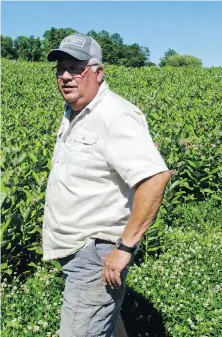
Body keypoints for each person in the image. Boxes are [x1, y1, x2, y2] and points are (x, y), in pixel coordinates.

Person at [42, 33, 171, 336]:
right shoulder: (76, 112)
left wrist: (125, 247)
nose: (65, 76)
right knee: (108, 325)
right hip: (77, 252)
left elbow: (154, 178)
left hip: (96, 254)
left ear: (98, 73)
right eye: (60, 68)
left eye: (76, 68)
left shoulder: (116, 116)